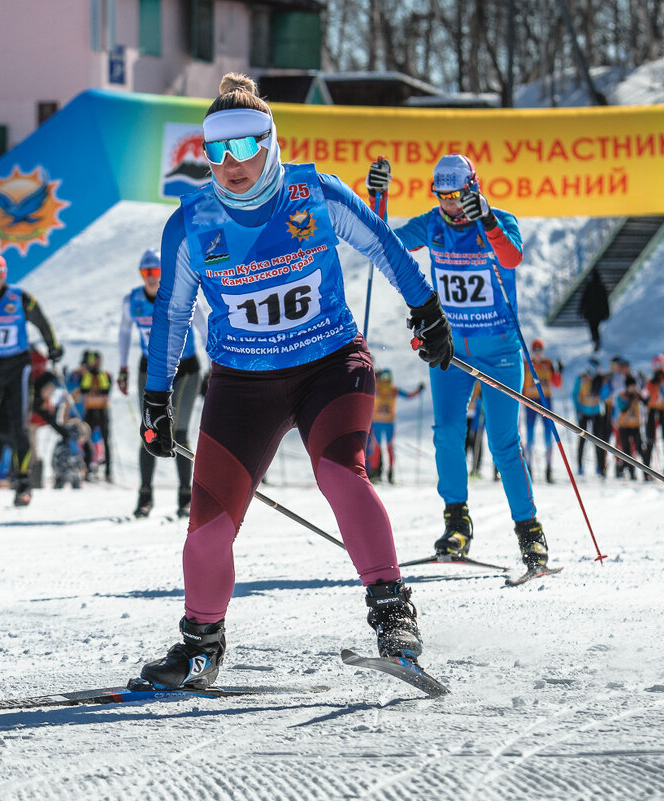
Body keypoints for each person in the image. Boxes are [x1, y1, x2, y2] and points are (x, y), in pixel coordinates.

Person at [137, 73, 451, 691]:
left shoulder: (315, 193)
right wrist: (156, 397)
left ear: (271, 141)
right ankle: (201, 644)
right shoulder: (193, 223)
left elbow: (384, 246)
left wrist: (427, 309)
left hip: (329, 366)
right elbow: (171, 315)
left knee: (339, 471)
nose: (231, 164)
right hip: (242, 384)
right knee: (208, 527)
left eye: (245, 146)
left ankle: (393, 617)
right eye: (216, 150)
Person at [372, 153, 548, 570]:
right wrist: (377, 200)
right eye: (443, 196)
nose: (450, 205)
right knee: (447, 433)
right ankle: (456, 523)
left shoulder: (501, 220)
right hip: (450, 349)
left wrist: (485, 220)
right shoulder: (432, 224)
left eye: (458, 195)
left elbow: (511, 258)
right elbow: (385, 244)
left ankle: (530, 532)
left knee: (504, 443)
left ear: (474, 187)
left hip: (499, 349)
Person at [0, 252, 63, 507]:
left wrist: (53, 346)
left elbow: (41, 321)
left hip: (17, 367)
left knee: (20, 427)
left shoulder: (20, 298)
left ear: (4, 275)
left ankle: (23, 485)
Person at [118, 249, 207, 517]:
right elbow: (124, 333)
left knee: (178, 431)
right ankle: (145, 497)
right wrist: (122, 368)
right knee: (149, 431)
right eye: (146, 272)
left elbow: (205, 330)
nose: (152, 277)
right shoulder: (132, 301)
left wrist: (216, 369)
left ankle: (186, 498)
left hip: (186, 370)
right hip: (150, 369)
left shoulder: (183, 292)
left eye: (156, 271)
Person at [370, 368, 424, 484]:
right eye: (383, 377)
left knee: (387, 448)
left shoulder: (390, 390)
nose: (385, 380)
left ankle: (389, 473)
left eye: (387, 377)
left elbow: (408, 395)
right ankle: (376, 473)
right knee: (378, 448)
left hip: (387, 423)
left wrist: (418, 391)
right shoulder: (377, 388)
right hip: (380, 422)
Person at [522, 338, 563, 483]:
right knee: (530, 437)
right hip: (530, 401)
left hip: (545, 401)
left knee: (548, 437)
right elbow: (521, 383)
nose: (538, 354)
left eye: (540, 350)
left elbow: (557, 384)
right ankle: (529, 468)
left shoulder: (548, 364)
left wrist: (559, 372)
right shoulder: (526, 364)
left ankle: (548, 468)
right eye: (535, 350)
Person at [73, 349, 113, 482]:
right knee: (87, 439)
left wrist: (97, 374)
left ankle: (108, 471)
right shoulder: (86, 375)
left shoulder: (105, 375)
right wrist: (90, 374)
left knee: (106, 441)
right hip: (89, 411)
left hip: (102, 410)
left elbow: (106, 389)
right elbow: (84, 388)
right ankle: (87, 469)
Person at [572, 359, 609, 477]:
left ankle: (600, 466)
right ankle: (580, 466)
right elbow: (574, 394)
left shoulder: (599, 380)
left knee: (598, 440)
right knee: (582, 440)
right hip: (583, 412)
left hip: (596, 412)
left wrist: (603, 385)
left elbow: (605, 395)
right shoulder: (581, 379)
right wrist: (578, 409)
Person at [613, 375, 645, 480]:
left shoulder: (637, 395)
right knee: (626, 450)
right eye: (631, 386)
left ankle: (645, 472)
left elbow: (646, 402)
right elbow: (622, 409)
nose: (633, 388)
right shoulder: (621, 396)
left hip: (635, 426)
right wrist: (631, 400)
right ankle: (629, 471)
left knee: (639, 448)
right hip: (624, 426)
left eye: (634, 386)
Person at [642, 354, 664, 474]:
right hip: (653, 410)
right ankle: (646, 468)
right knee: (650, 438)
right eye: (655, 365)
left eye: (659, 365)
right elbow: (644, 394)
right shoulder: (651, 381)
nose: (657, 368)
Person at [579, 268, 610, 352]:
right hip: (599, 312)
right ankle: (597, 341)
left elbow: (584, 299)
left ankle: (595, 341)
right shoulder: (602, 287)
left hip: (590, 312)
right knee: (596, 327)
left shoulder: (589, 286)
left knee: (592, 327)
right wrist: (607, 312)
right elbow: (605, 301)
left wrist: (581, 310)